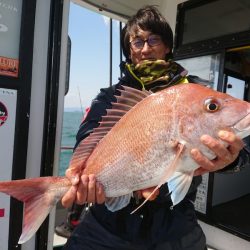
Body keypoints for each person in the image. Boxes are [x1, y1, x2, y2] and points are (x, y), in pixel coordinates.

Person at [60, 5, 247, 250]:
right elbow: (88, 136)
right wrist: (81, 176)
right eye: (137, 42)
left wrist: (231, 159)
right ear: (129, 49)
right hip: (110, 224)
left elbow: (243, 151)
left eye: (153, 39)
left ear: (168, 46)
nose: (145, 48)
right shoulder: (111, 98)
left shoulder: (194, 91)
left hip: (175, 223)